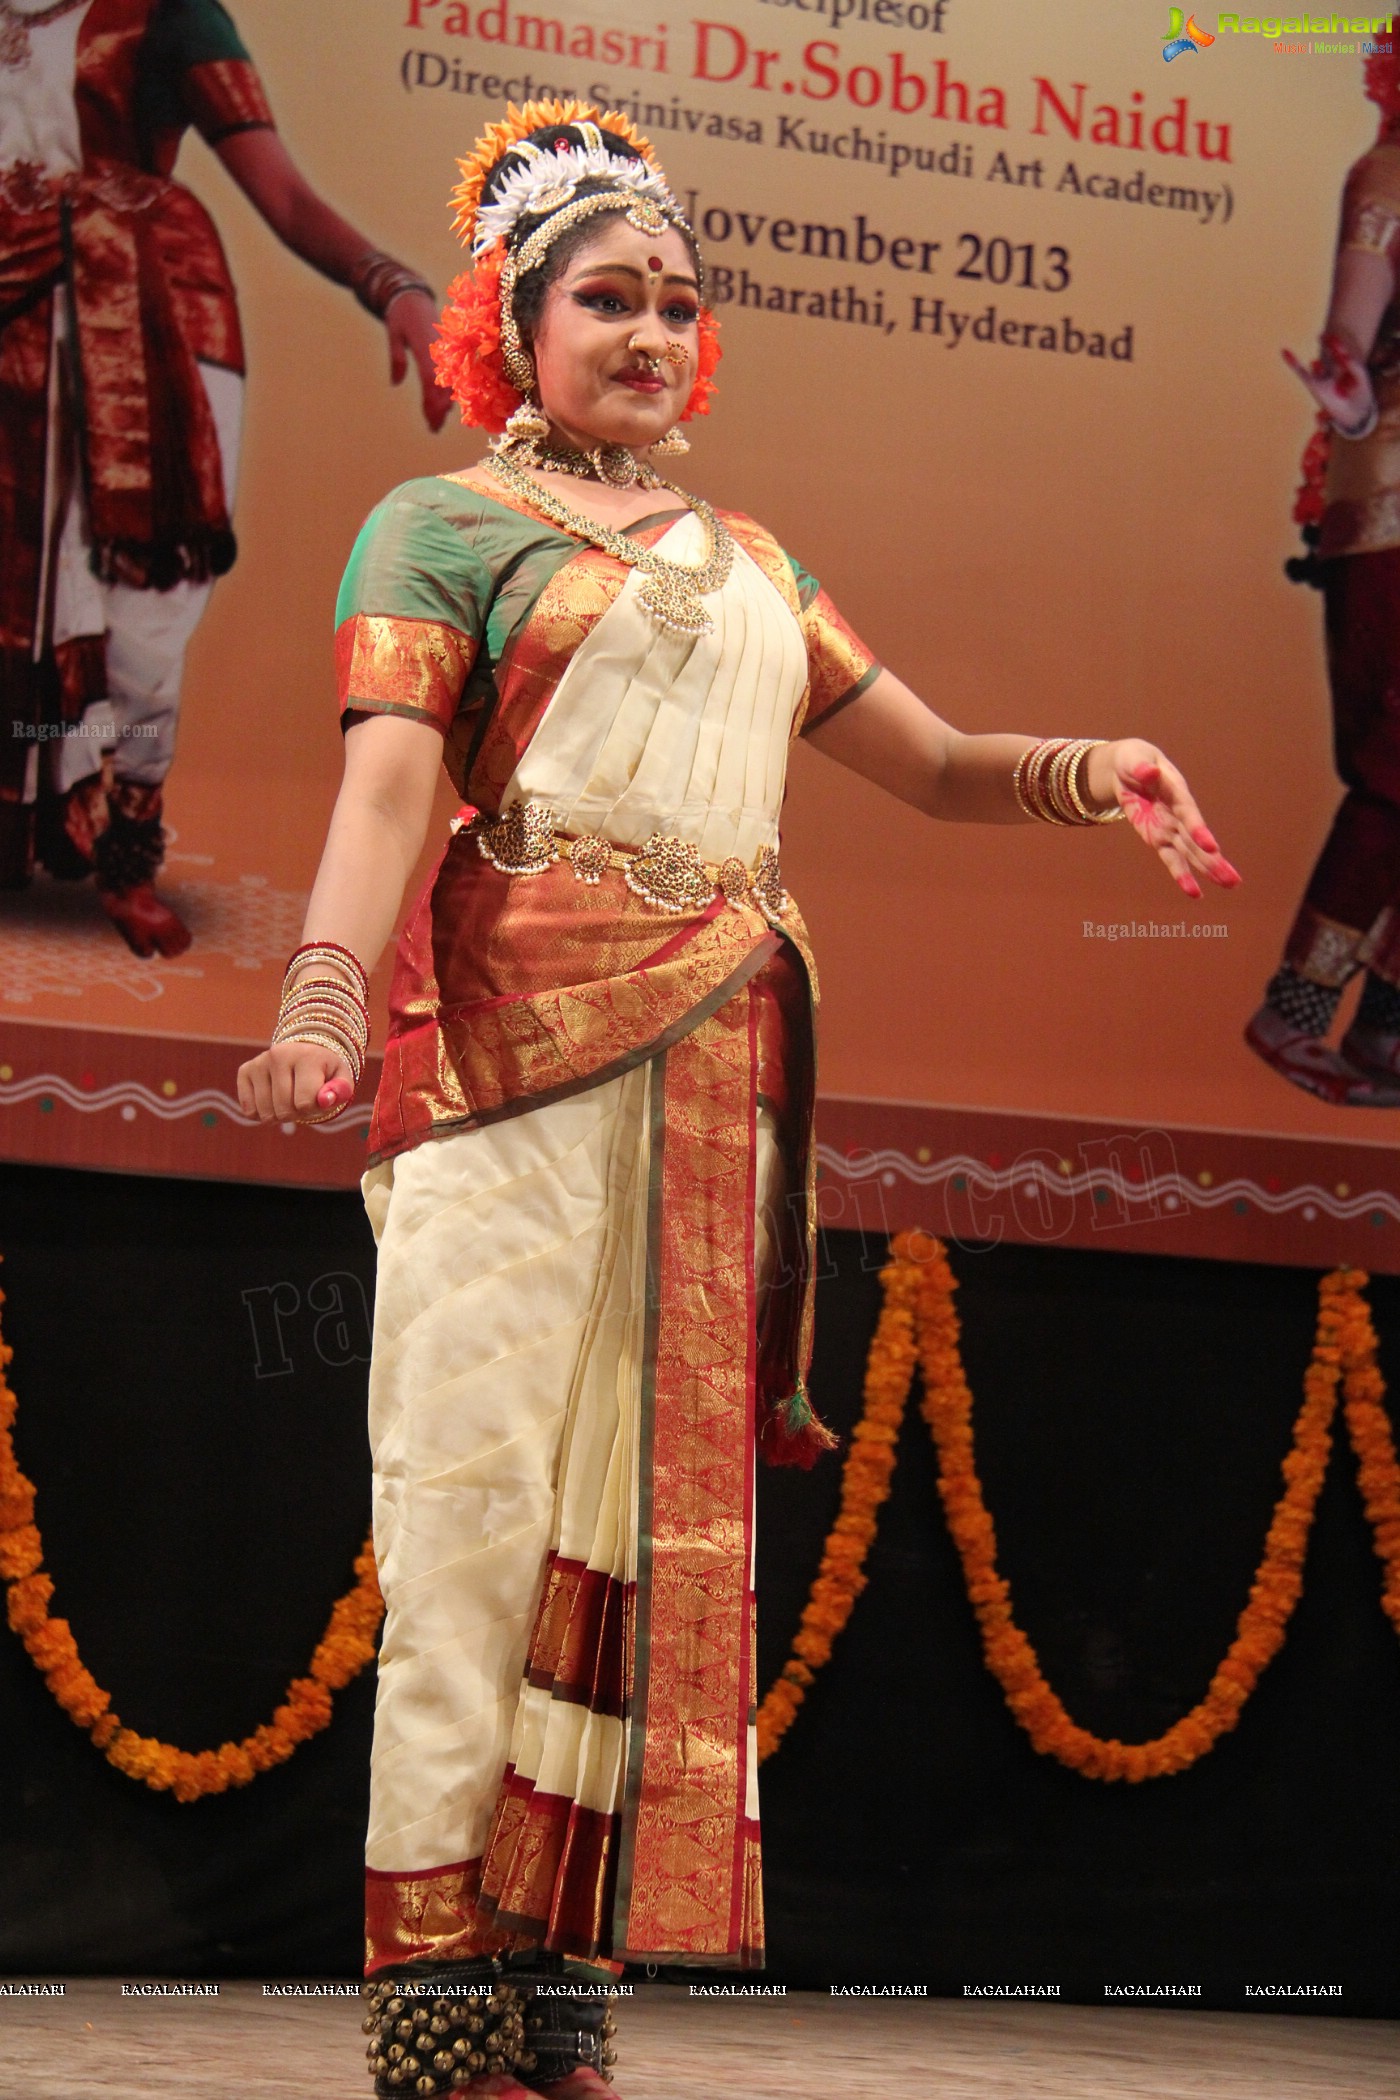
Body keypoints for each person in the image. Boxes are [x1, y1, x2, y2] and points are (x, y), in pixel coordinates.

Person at [236, 100, 1238, 2100]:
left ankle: (557, 1972)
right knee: (480, 1514)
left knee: (642, 1517)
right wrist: (325, 1000)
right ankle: (434, 1988)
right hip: (513, 1069)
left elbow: (937, 764)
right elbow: (378, 788)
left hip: (712, 1097)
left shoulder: (756, 562)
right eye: (606, 298)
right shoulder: (439, 527)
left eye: (681, 308)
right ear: (507, 328)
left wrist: (1093, 762)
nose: (650, 336)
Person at [0, 0, 450, 960]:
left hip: (149, 322)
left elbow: (281, 195)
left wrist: (393, 284)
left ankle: (125, 852)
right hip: (7, 317)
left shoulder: (165, 13)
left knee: (139, 615)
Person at [1248, 45, 1400, 1104]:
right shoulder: (1389, 175)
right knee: (1396, 766)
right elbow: (1348, 338)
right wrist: (1344, 387)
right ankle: (1293, 1009)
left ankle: (1383, 1027)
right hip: (1388, 505)